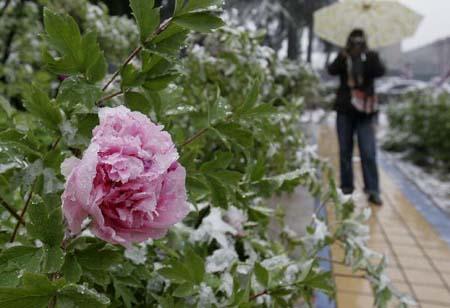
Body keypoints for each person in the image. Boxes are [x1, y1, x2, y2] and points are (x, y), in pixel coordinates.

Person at [327, 29, 386, 205]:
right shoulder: (344, 57)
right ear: (349, 41)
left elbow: (380, 71)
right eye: (354, 40)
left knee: (368, 151)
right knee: (345, 150)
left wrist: (369, 56)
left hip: (365, 112)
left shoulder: (371, 57)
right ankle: (346, 187)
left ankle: (373, 189)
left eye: (360, 40)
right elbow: (331, 70)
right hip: (345, 110)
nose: (357, 44)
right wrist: (342, 56)